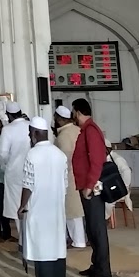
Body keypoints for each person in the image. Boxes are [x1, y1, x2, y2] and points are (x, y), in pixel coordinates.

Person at [17, 118, 69, 277]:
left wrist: (22, 205)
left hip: (39, 207)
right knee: (56, 243)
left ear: (35, 133)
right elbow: (65, 184)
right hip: (56, 208)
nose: (29, 136)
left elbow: (28, 184)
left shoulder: (32, 155)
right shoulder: (60, 155)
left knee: (42, 244)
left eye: (29, 132)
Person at [70, 97, 111, 277]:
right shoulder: (86, 130)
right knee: (92, 229)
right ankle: (97, 264)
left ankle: (103, 269)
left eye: (73, 112)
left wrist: (89, 185)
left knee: (97, 228)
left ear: (77, 112)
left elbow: (96, 161)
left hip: (92, 187)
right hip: (86, 185)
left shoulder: (91, 131)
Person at [54, 104, 86, 249]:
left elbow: (64, 159)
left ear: (60, 120)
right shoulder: (78, 130)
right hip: (81, 175)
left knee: (72, 211)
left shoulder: (64, 136)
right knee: (77, 210)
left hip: (70, 176)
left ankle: (78, 241)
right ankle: (78, 239)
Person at [0, 102, 30, 233]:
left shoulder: (7, 130)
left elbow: (2, 154)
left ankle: (23, 239)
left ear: (9, 115)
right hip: (32, 172)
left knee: (17, 205)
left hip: (14, 174)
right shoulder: (30, 125)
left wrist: (5, 167)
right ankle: (31, 239)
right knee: (31, 204)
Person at [104, 138, 134, 225]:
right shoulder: (105, 158)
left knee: (107, 201)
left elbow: (127, 172)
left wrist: (124, 187)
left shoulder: (117, 159)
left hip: (119, 189)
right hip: (109, 187)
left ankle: (104, 219)